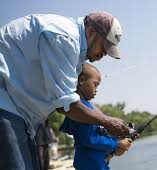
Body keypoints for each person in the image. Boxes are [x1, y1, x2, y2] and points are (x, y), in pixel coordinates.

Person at [0, 11, 130, 170]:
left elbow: (76, 97)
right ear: (91, 32)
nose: (104, 54)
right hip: (5, 105)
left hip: (21, 115)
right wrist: (107, 122)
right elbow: (66, 104)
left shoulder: (76, 54)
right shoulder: (65, 38)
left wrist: (108, 119)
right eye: (104, 47)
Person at [60, 63, 132, 170]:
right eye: (95, 84)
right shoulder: (82, 110)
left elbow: (95, 135)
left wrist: (114, 146)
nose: (96, 89)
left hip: (94, 163)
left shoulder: (86, 108)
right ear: (82, 81)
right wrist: (116, 143)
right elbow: (90, 139)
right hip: (90, 165)